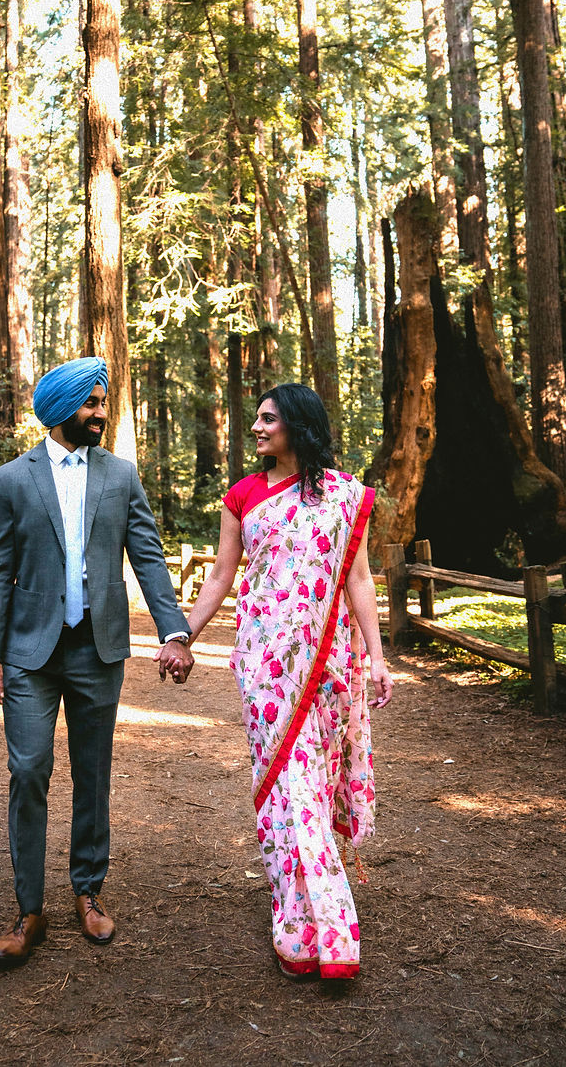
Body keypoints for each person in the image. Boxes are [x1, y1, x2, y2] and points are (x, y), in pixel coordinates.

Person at [0, 356, 193, 971]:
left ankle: (88, 892)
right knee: (28, 768)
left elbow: (147, 557)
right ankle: (28, 910)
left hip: (99, 649)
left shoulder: (121, 476)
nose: (101, 413)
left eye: (103, 402)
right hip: (28, 653)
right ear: (61, 407)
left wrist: (173, 630)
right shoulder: (14, 479)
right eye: (92, 402)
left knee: (93, 771)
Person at [182, 383, 392, 979]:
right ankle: (313, 918)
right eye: (255, 419)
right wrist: (183, 635)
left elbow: (358, 581)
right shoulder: (243, 496)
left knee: (313, 782)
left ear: (297, 426)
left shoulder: (344, 496)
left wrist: (377, 657)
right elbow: (223, 575)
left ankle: (305, 902)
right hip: (264, 663)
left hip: (328, 663)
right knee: (283, 782)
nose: (255, 428)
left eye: (268, 419)